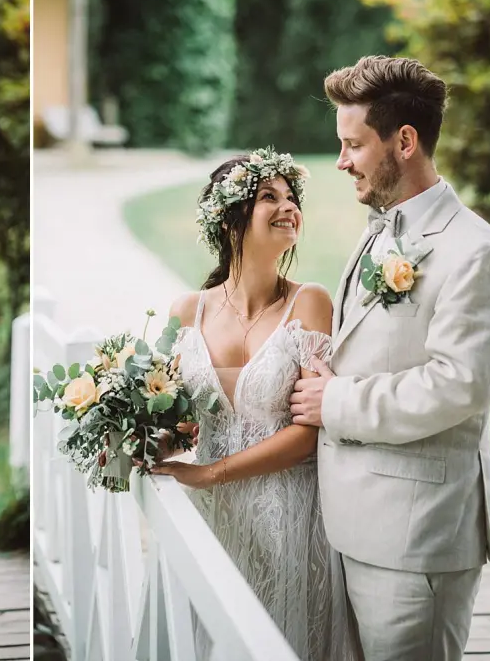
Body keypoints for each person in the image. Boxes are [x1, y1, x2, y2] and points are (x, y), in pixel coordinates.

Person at [290, 55, 490, 661]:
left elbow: (459, 386)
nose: (342, 161)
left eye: (353, 145)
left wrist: (333, 400)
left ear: (405, 141)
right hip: (356, 524)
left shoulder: (475, 253)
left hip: (417, 539)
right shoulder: (379, 231)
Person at [151, 148, 357, 660]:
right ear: (229, 219)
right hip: (207, 516)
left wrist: (214, 471)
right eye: (270, 197)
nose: (288, 207)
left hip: (289, 516)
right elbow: (171, 416)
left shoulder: (309, 302)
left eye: (292, 198)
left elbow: (310, 431)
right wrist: (148, 438)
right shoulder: (185, 311)